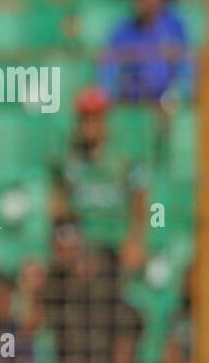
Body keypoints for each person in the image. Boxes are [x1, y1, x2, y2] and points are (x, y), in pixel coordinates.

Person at [21, 222, 142, 363]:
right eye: (60, 246)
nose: (65, 252)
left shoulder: (107, 282)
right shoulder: (55, 285)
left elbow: (125, 340)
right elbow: (28, 329)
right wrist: (32, 291)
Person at [50, 87, 149, 273]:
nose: (90, 124)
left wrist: (137, 240)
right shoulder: (70, 161)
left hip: (116, 251)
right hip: (83, 253)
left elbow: (145, 204)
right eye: (85, 118)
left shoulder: (124, 159)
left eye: (95, 117)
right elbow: (58, 208)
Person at [99, 0, 191, 109]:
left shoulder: (175, 27)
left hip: (167, 105)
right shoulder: (123, 30)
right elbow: (108, 71)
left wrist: (173, 97)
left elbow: (187, 69)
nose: (149, 0)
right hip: (130, 104)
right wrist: (110, 96)